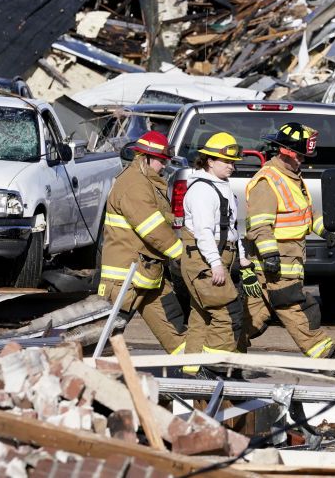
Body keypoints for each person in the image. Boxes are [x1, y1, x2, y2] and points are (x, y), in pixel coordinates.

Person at [241, 122, 335, 360]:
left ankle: (222, 350)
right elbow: (260, 225)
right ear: (287, 153)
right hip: (277, 259)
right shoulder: (267, 182)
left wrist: (325, 231)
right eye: (301, 156)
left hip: (290, 256)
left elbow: (305, 214)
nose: (303, 160)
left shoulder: (293, 177)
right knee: (292, 305)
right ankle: (324, 354)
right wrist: (270, 255)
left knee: (255, 314)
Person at [97, 131, 187, 355]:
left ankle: (195, 375)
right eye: (161, 161)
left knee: (174, 328)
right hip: (125, 278)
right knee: (103, 338)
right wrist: (181, 254)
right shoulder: (134, 184)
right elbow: (152, 228)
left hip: (149, 273)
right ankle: (83, 378)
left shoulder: (146, 180)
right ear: (145, 157)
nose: (164, 166)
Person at [179, 132, 249, 377]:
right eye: (226, 161)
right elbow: (204, 232)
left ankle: (192, 373)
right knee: (227, 313)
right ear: (209, 161)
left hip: (218, 257)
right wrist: (216, 264)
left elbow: (231, 227)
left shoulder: (223, 187)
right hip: (205, 260)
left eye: (233, 162)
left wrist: (240, 256)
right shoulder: (202, 191)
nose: (232, 166)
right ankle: (212, 370)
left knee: (201, 316)